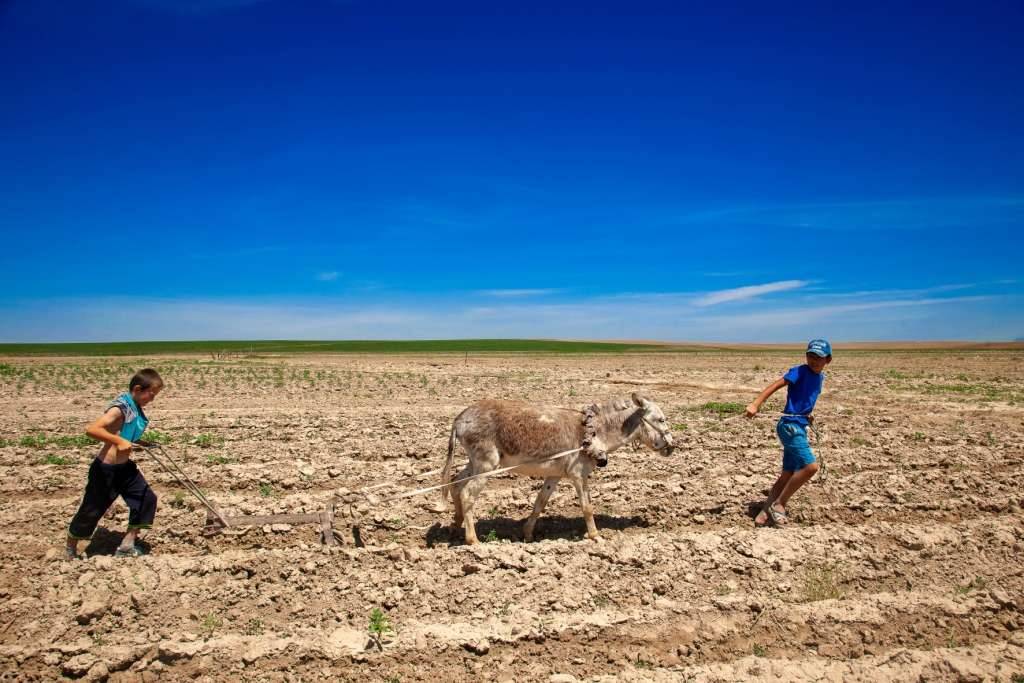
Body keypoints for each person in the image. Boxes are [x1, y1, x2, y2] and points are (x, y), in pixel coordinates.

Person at [66, 368, 163, 558]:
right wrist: (119, 442)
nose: (152, 399)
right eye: (151, 394)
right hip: (106, 470)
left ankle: (127, 545)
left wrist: (143, 442)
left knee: (146, 499)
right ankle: (70, 547)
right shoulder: (120, 408)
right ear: (137, 389)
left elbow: (122, 432)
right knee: (92, 509)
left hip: (124, 468)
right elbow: (92, 429)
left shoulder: (134, 407)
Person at [745, 339, 832, 526]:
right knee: (811, 468)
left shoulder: (819, 378)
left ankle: (763, 514)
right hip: (790, 426)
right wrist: (755, 404)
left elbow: (805, 398)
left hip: (799, 423)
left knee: (788, 473)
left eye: (819, 357)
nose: (814, 360)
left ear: (828, 360)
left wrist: (807, 415)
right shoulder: (799, 371)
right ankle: (780, 504)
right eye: (810, 356)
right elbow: (776, 385)